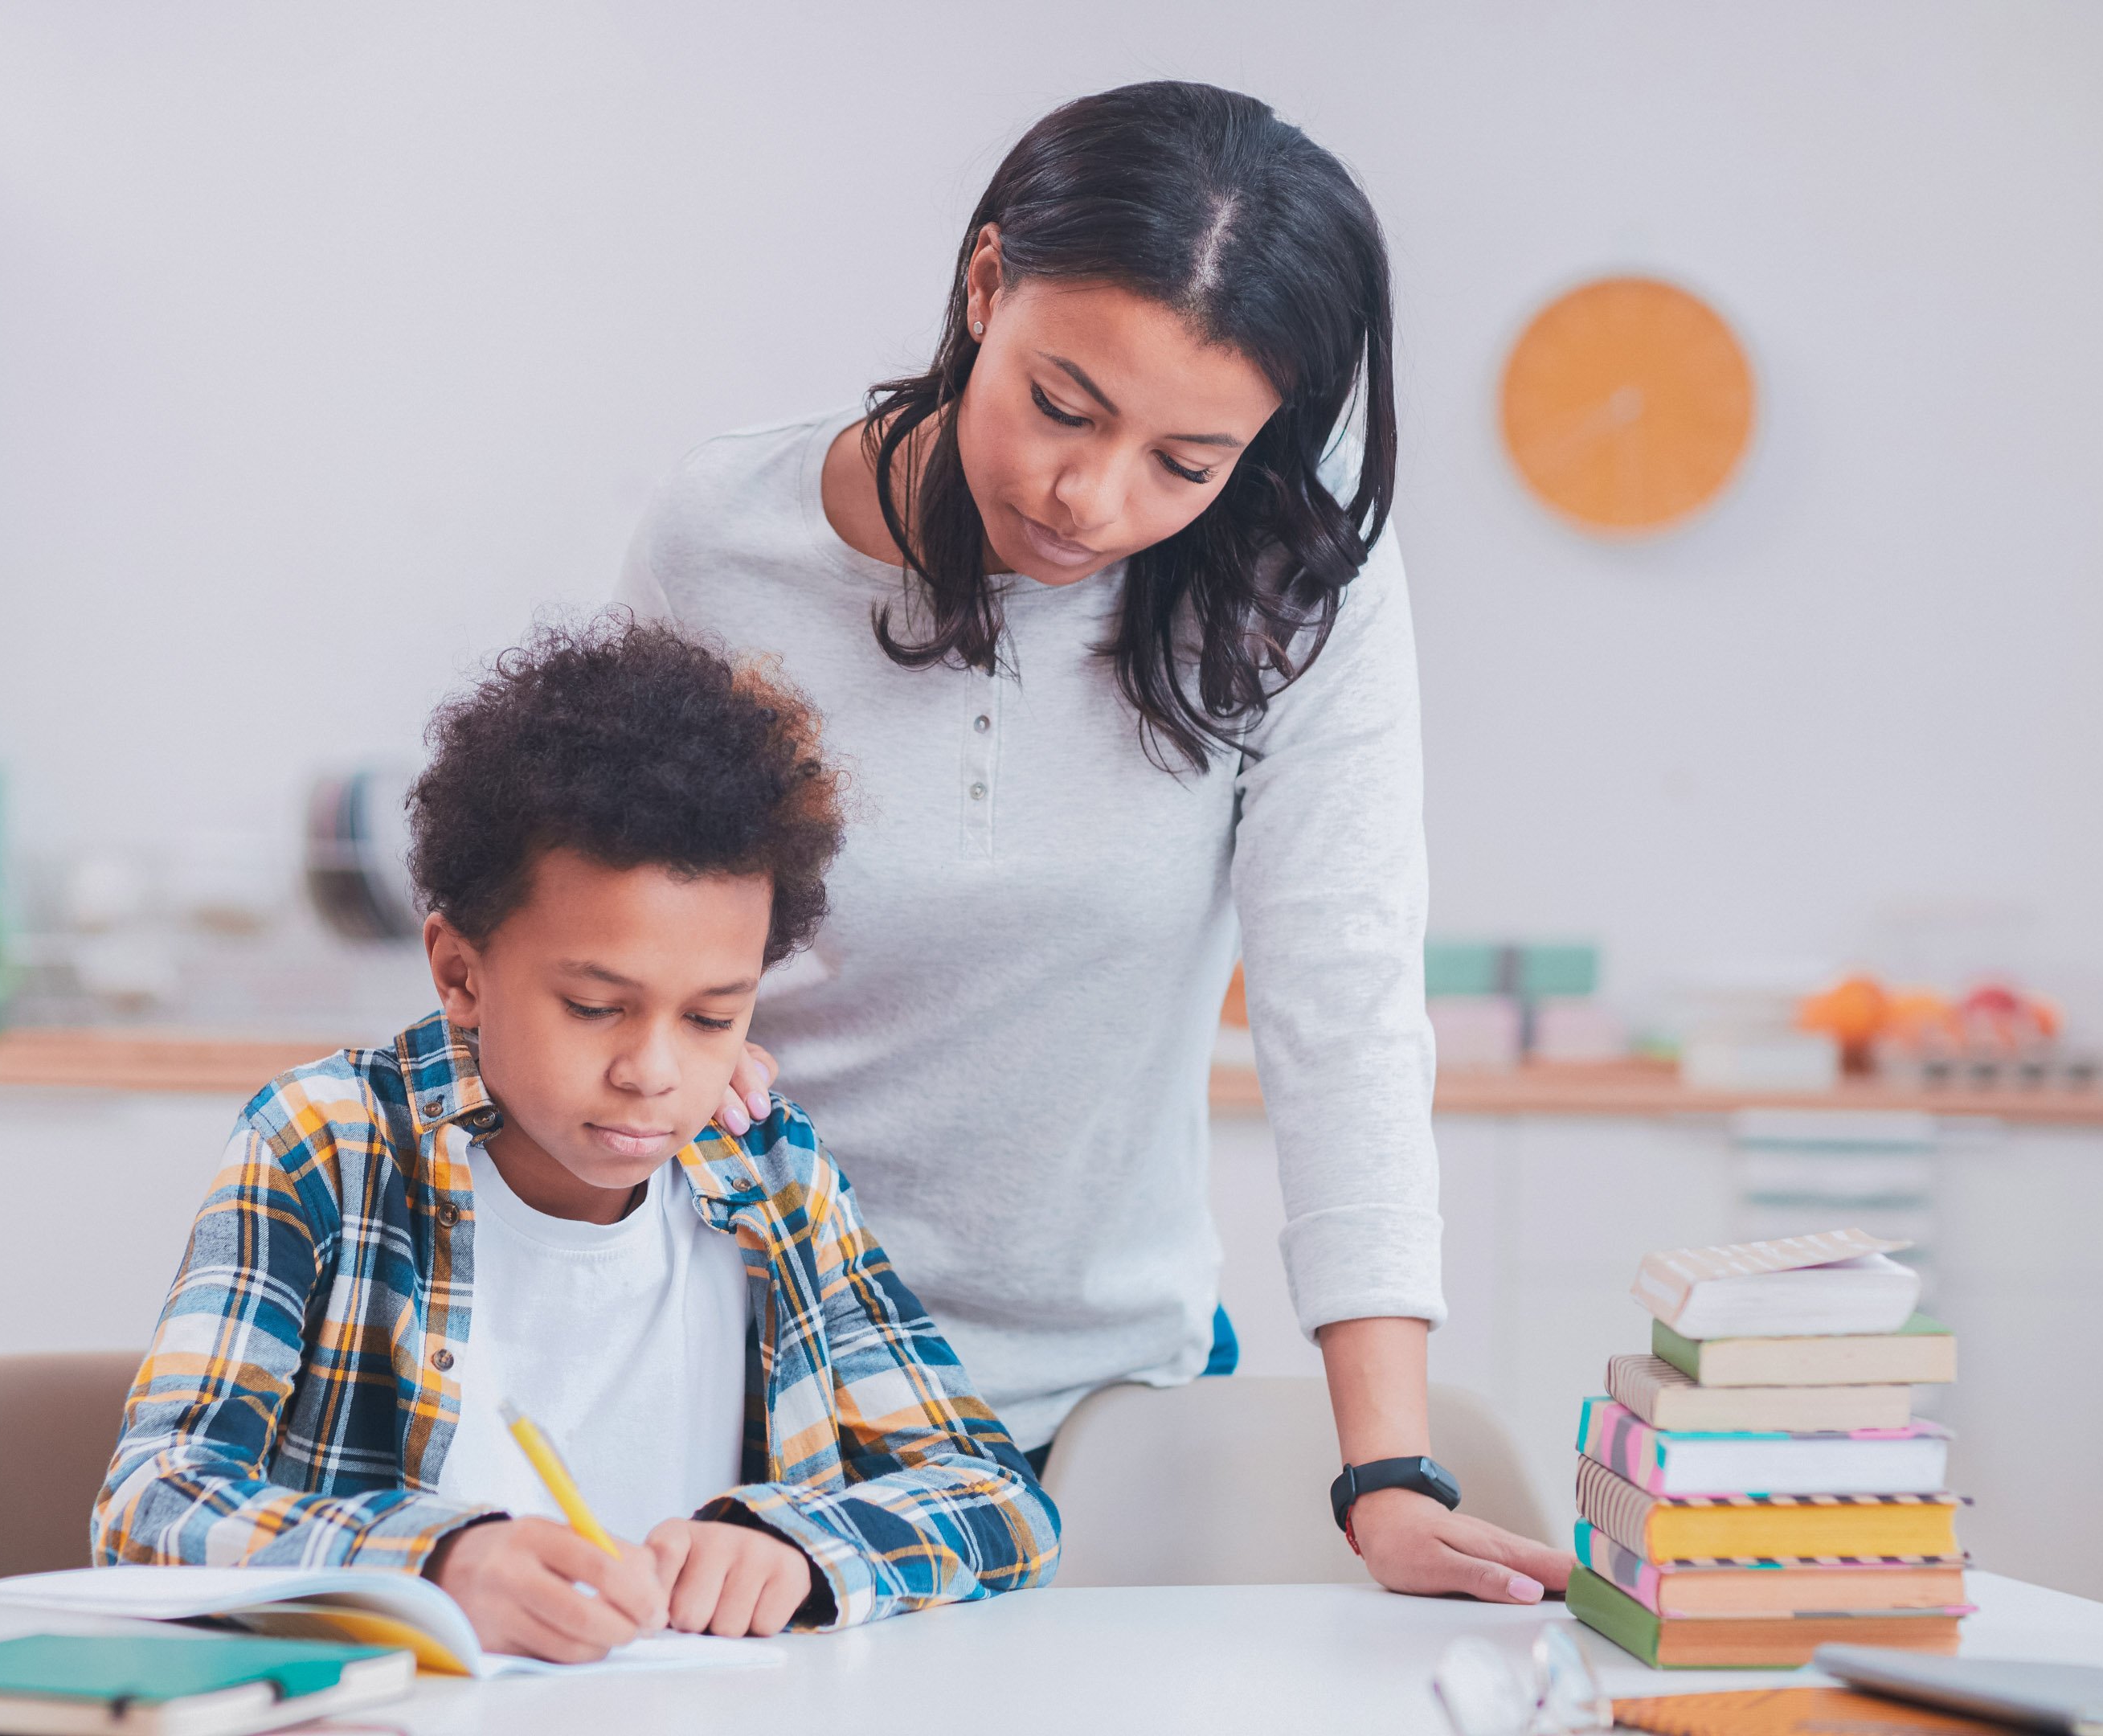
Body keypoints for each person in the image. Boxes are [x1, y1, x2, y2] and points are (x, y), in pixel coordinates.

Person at [622, 80, 1568, 1603]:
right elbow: (604, 927)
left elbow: (1344, 1003)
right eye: (1062, 404)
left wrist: (1386, 1470)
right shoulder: (721, 541)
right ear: (985, 284)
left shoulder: (1298, 591)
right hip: (721, 1362)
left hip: (1110, 1400)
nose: (1091, 496)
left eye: (1185, 464)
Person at [94, 616, 1058, 1662]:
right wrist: (440, 1562)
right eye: (597, 1007)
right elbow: (150, 1504)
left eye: (709, 1018)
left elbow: (995, 1496)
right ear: (462, 974)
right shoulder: (329, 1145)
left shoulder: (773, 1172)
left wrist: (804, 1548)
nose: (653, 1072)